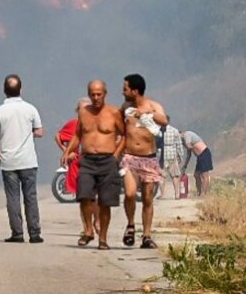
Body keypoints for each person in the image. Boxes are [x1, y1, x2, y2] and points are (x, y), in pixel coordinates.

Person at [63, 79, 125, 250]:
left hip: (107, 160)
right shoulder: (84, 112)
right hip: (88, 160)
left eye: (99, 94)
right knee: (83, 195)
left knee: (105, 202)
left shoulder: (113, 112)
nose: (96, 98)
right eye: (93, 95)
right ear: (89, 95)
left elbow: (124, 135)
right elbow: (77, 135)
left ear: (105, 93)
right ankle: (89, 230)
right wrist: (68, 151)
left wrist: (116, 155)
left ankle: (103, 238)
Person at [0, 74, 45, 244]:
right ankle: (34, 233)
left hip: (8, 162)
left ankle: (17, 233)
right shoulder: (30, 109)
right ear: (21, 89)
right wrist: (29, 133)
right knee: (30, 197)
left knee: (13, 198)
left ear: (4, 91)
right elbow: (40, 132)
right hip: (28, 161)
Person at [120, 73, 168, 250]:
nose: (122, 92)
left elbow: (164, 121)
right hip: (130, 157)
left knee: (148, 198)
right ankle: (131, 225)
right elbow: (117, 125)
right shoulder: (125, 107)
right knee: (130, 193)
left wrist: (147, 114)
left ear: (135, 90)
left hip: (149, 158)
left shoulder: (153, 105)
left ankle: (146, 235)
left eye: (125, 89)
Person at [57, 96, 98, 240]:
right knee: (83, 198)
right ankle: (87, 228)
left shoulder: (98, 122)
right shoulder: (74, 124)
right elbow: (58, 136)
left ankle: (97, 221)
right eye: (82, 109)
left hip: (94, 163)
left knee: (94, 198)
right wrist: (66, 151)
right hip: (78, 165)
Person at [158, 120, 186, 199]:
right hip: (172, 153)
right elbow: (179, 144)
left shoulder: (158, 131)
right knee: (175, 175)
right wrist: (180, 155)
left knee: (162, 176)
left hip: (162, 154)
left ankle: (162, 195)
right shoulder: (174, 130)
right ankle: (177, 195)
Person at [181, 130, 214, 196]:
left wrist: (193, 147)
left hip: (204, 153)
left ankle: (204, 194)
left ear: (180, 133)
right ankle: (199, 192)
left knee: (205, 175)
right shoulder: (184, 141)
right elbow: (189, 155)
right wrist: (185, 166)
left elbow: (189, 146)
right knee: (196, 175)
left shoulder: (186, 134)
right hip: (199, 157)